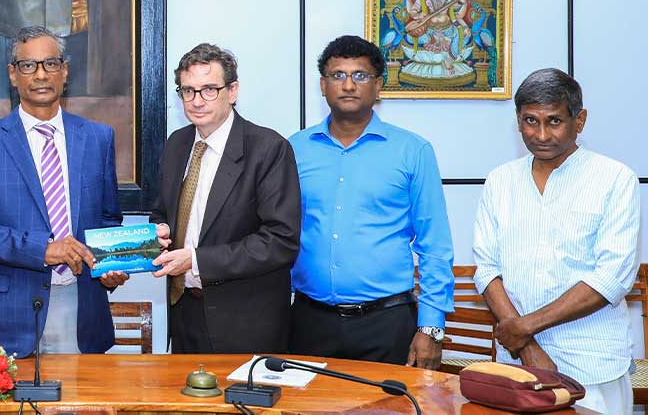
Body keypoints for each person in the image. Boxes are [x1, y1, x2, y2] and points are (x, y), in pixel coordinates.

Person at [473, 68, 640, 413]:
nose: (541, 134)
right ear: (518, 121)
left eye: (554, 121)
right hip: (516, 364)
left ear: (580, 121)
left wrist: (524, 327)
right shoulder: (500, 181)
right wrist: (526, 345)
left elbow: (611, 278)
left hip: (591, 361)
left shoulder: (614, 179)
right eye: (530, 121)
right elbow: (487, 269)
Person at [0, 25, 126, 357]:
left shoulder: (97, 138)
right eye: (28, 65)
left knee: (80, 394)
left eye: (50, 63)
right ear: (13, 74)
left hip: (81, 306)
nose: (41, 74)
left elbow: (108, 219)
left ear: (65, 71)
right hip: (7, 314)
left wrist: (109, 264)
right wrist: (42, 249)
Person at [288, 35, 453, 368]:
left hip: (387, 324)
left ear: (378, 85)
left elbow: (434, 246)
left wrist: (431, 328)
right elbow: (278, 236)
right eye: (338, 75)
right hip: (309, 322)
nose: (349, 85)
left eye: (360, 75)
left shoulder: (412, 151)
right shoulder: (294, 149)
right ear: (322, 85)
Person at [150, 43, 301, 353]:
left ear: (232, 91)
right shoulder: (177, 144)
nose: (197, 101)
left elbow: (280, 242)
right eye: (188, 91)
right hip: (183, 313)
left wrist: (196, 260)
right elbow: (162, 213)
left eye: (209, 90)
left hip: (244, 322)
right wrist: (160, 232)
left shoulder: (268, 149)